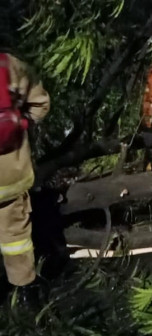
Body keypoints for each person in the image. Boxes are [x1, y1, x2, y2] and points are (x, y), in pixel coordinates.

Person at [0, 52, 50, 305]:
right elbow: (41, 104)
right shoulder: (10, 65)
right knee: (15, 238)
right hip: (10, 177)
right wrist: (19, 127)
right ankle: (25, 295)